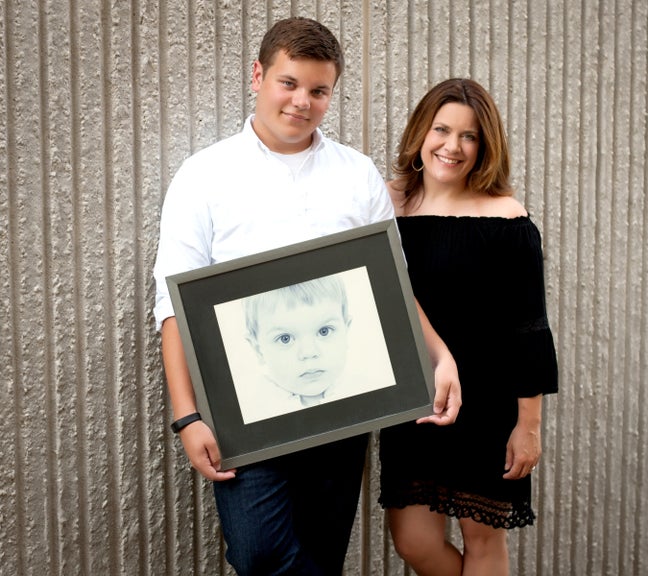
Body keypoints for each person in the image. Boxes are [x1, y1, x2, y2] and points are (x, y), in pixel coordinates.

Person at [153, 17, 460, 575]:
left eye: (318, 91)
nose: (302, 102)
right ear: (258, 75)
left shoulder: (356, 175)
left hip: (343, 402)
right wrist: (187, 417)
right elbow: (173, 306)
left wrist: (440, 357)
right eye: (288, 83)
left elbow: (392, 285)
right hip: (241, 411)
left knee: (322, 552)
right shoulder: (204, 177)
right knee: (258, 552)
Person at [378, 78, 558, 575]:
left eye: (469, 136)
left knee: (482, 542)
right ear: (421, 132)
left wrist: (528, 426)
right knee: (413, 540)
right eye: (442, 129)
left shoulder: (505, 218)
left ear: (485, 146)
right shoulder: (386, 205)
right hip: (414, 401)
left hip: (489, 404)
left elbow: (529, 329)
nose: (452, 146)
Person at [243, 276, 352, 410]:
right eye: (285, 338)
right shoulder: (255, 408)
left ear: (346, 330)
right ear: (258, 350)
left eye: (324, 331)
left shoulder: (364, 387)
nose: (309, 353)